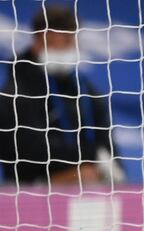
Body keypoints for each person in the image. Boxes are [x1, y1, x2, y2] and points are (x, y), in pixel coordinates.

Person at [0, 5, 121, 185]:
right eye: (65, 39)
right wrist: (92, 155)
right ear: (42, 38)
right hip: (28, 190)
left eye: (73, 38)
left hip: (89, 178)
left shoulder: (85, 89)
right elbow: (30, 152)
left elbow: (107, 143)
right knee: (85, 176)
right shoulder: (16, 91)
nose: (72, 46)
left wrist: (110, 164)